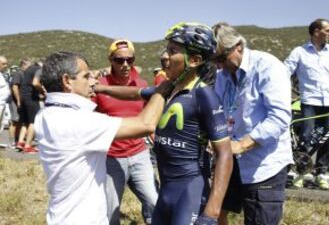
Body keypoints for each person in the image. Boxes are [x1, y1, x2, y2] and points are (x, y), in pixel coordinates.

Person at [34, 51, 171, 225]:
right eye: (86, 76)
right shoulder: (79, 122)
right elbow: (145, 125)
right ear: (67, 81)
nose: (93, 81)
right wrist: (162, 90)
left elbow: (103, 89)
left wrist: (145, 91)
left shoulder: (46, 114)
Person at [150, 22, 233, 225]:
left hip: (190, 192)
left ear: (194, 60)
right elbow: (133, 93)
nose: (164, 56)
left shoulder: (204, 94)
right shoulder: (169, 89)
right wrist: (98, 87)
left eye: (172, 51)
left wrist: (212, 212)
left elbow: (225, 154)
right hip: (165, 192)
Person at [212, 22, 293, 225]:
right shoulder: (222, 74)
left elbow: (279, 117)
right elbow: (220, 111)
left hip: (263, 163)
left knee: (259, 219)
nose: (219, 66)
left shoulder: (268, 66)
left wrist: (241, 145)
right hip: (231, 158)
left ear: (238, 46)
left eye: (221, 58)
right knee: (215, 212)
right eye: (214, 60)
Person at [284, 18, 329, 190]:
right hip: (310, 101)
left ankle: (321, 173)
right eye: (328, 30)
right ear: (317, 32)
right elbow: (285, 71)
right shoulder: (299, 52)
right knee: (307, 138)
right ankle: (300, 173)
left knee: (328, 139)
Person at [92, 39, 158, 225]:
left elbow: (148, 117)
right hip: (111, 158)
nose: (125, 64)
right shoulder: (99, 85)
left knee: (154, 202)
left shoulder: (142, 84)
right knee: (111, 211)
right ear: (110, 60)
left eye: (130, 59)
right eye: (119, 60)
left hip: (140, 155)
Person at [12, 58, 31, 149]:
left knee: (21, 120)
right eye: (29, 66)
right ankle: (13, 141)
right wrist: (18, 100)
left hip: (23, 101)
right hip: (16, 101)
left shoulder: (25, 74)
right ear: (23, 65)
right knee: (15, 121)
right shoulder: (18, 73)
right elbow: (15, 87)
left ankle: (19, 140)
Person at [0, 56, 10, 136]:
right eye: (3, 64)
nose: (6, 66)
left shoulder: (1, 74)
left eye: (6, 64)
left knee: (2, 123)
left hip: (3, 104)